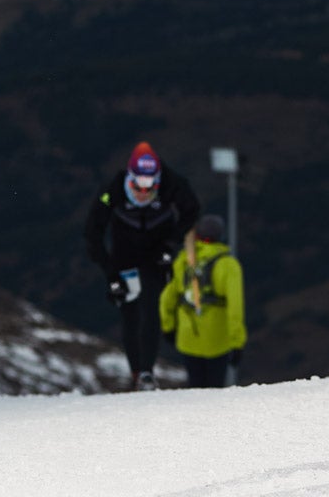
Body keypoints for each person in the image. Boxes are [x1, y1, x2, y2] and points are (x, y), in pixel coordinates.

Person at [84, 141, 201, 391]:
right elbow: (93, 231)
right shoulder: (113, 189)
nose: (143, 192)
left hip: (156, 252)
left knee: (151, 308)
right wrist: (110, 272)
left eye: (150, 186)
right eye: (138, 186)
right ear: (130, 178)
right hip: (124, 253)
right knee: (130, 311)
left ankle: (147, 372)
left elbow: (192, 210)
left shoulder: (173, 183)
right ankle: (136, 372)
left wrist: (171, 244)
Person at [159, 214, 246, 388]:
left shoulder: (184, 260)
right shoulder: (228, 265)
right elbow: (235, 307)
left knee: (195, 387)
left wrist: (168, 327)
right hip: (218, 339)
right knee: (215, 390)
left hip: (188, 336)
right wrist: (237, 342)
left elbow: (167, 298)